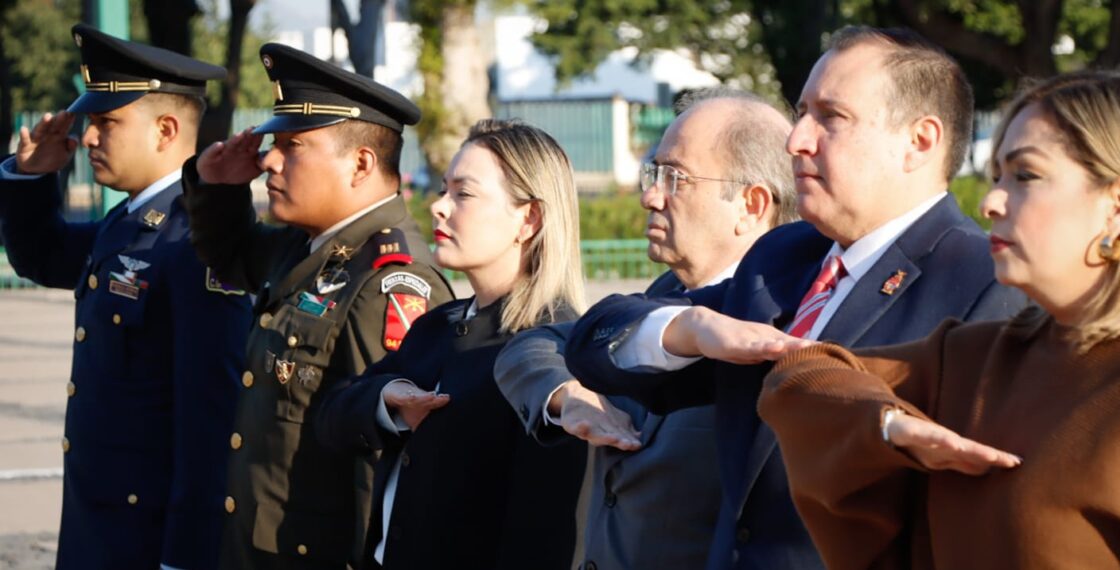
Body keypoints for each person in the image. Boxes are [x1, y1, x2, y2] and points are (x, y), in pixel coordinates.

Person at [564, 26, 1027, 569]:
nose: (796, 140)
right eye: (802, 112)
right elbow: (594, 343)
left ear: (919, 142)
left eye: (831, 117)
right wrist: (690, 328)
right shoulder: (784, 257)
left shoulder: (987, 281)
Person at [761, 71, 1120, 570]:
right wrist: (889, 426)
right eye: (996, 177)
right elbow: (798, 377)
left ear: (1119, 205)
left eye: (1025, 176)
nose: (991, 202)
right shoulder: (970, 357)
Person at [494, 87, 796, 570]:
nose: (649, 196)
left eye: (675, 178)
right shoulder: (666, 293)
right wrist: (567, 396)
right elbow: (534, 346)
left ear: (751, 205)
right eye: (653, 174)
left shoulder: (781, 323)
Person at [181, 43, 453, 569]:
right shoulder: (308, 246)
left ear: (361, 163)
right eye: (272, 145)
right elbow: (230, 256)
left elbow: (383, 465)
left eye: (292, 146)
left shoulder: (390, 282)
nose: (268, 160)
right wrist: (216, 188)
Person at [0, 24, 250, 570]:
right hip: (99, 532)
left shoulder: (196, 241)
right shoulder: (131, 219)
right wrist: (31, 177)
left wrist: (185, 559)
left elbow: (211, 425)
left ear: (165, 130)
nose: (89, 138)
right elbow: (45, 257)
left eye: (107, 122)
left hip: (145, 541)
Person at [315, 119, 588, 570]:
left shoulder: (553, 352)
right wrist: (388, 401)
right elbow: (332, 416)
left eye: (464, 194)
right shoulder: (438, 327)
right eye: (444, 189)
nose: (439, 206)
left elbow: (543, 539)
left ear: (529, 219)